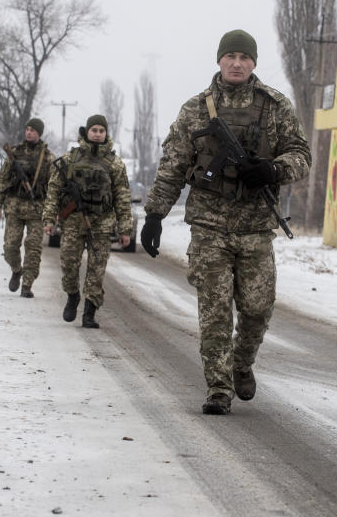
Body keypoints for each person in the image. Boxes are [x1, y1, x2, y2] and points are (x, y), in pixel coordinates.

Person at [140, 29, 311, 415]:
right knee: (214, 312)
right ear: (219, 60)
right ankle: (218, 388)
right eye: (230, 56)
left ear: (253, 63)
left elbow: (301, 155)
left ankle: (241, 363)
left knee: (256, 308)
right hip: (209, 227)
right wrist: (155, 215)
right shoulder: (196, 110)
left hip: (255, 228)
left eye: (244, 57)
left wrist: (271, 169)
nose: (237, 63)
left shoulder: (275, 107)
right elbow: (173, 166)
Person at [43, 114, 133, 329]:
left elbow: (122, 196)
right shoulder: (69, 159)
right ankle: (72, 295)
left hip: (102, 222)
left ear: (106, 134)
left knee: (97, 269)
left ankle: (89, 313)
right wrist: (49, 218)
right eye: (94, 130)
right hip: (73, 221)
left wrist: (125, 228)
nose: (98, 134)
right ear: (86, 131)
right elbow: (54, 190)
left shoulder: (115, 164)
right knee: (68, 265)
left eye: (102, 130)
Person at [0, 118, 55, 298]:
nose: (29, 133)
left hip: (37, 208)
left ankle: (27, 284)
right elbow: (3, 179)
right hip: (14, 206)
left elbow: (54, 187)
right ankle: (16, 269)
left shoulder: (48, 157)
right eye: (27, 129)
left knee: (33, 248)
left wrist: (52, 214)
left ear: (39, 133)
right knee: (10, 247)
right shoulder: (15, 153)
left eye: (33, 130)